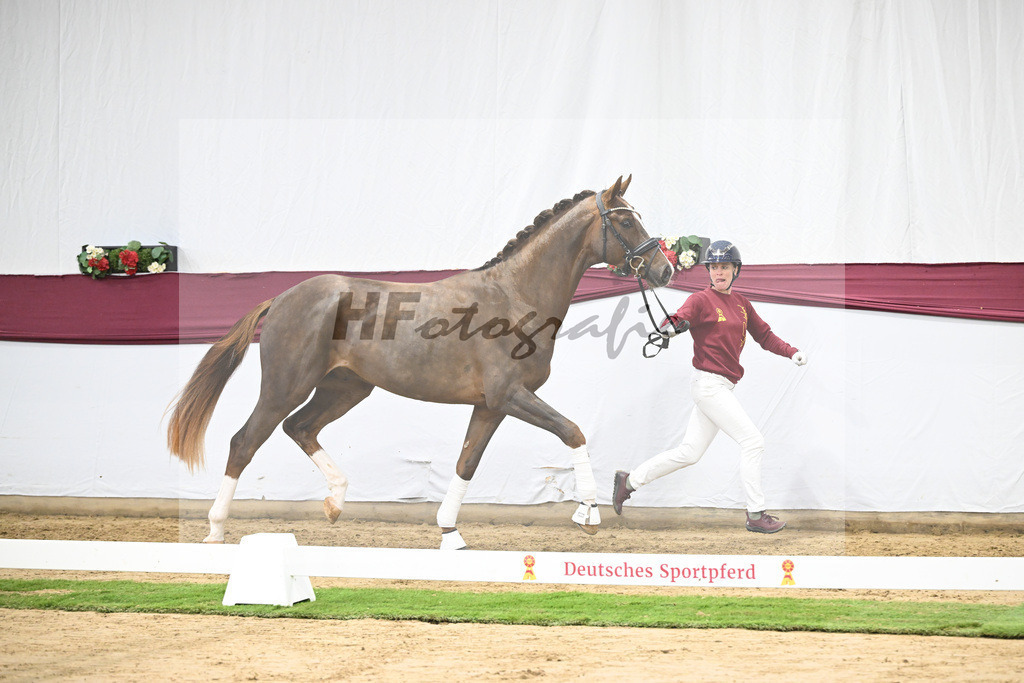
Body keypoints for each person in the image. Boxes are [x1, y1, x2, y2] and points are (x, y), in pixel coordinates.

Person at [612, 240, 807, 533]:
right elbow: (677, 318)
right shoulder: (701, 300)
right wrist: (671, 326)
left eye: (724, 266)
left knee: (690, 453)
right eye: (714, 267)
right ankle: (755, 515)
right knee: (753, 442)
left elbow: (764, 336)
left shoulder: (741, 304)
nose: (719, 272)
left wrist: (791, 352)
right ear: (709, 271)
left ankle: (630, 481)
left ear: (735, 270)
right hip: (708, 386)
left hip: (723, 387)